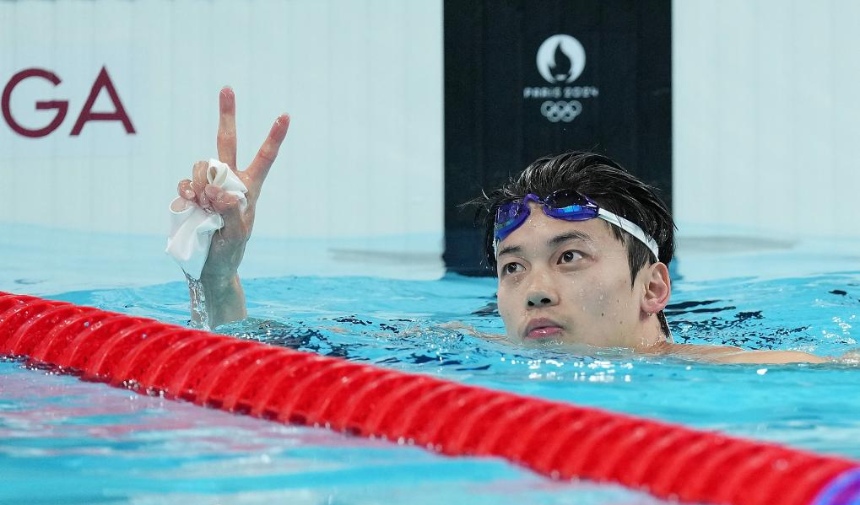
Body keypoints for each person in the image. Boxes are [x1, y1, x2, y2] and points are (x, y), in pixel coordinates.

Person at [175, 87, 855, 365]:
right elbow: (242, 348)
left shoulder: (742, 372)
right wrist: (220, 273)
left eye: (569, 257)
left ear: (652, 289)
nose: (533, 291)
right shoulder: (460, 351)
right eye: (512, 265)